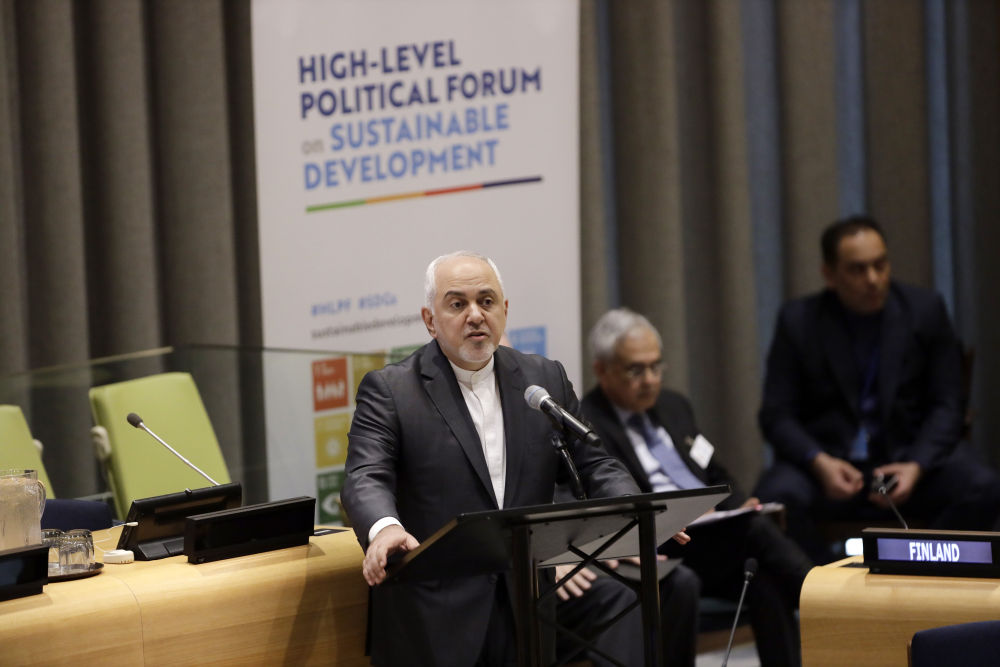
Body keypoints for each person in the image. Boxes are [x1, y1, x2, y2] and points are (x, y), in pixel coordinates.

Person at [340, 251, 644, 667]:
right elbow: (365, 474)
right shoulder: (392, 390)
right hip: (434, 615)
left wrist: (634, 507)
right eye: (457, 304)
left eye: (486, 301)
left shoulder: (544, 379)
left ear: (505, 309)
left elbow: (595, 463)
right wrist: (384, 527)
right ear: (430, 320)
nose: (475, 315)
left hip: (527, 605)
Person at [755, 215, 1000, 564]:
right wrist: (819, 461)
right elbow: (776, 414)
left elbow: (948, 404)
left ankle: (920, 573)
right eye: (857, 269)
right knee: (774, 499)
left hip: (908, 461)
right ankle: (825, 584)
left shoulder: (924, 311)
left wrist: (916, 464)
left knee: (982, 487)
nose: (873, 279)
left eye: (880, 265)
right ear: (829, 274)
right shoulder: (799, 321)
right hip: (830, 468)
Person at [578, 307, 813, 667]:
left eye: (656, 367)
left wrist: (736, 505)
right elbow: (608, 498)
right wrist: (684, 513)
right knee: (756, 532)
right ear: (602, 370)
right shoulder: (587, 422)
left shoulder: (673, 406)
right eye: (635, 370)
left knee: (763, 574)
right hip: (661, 540)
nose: (650, 380)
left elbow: (714, 470)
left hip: (713, 536)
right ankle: (823, 598)